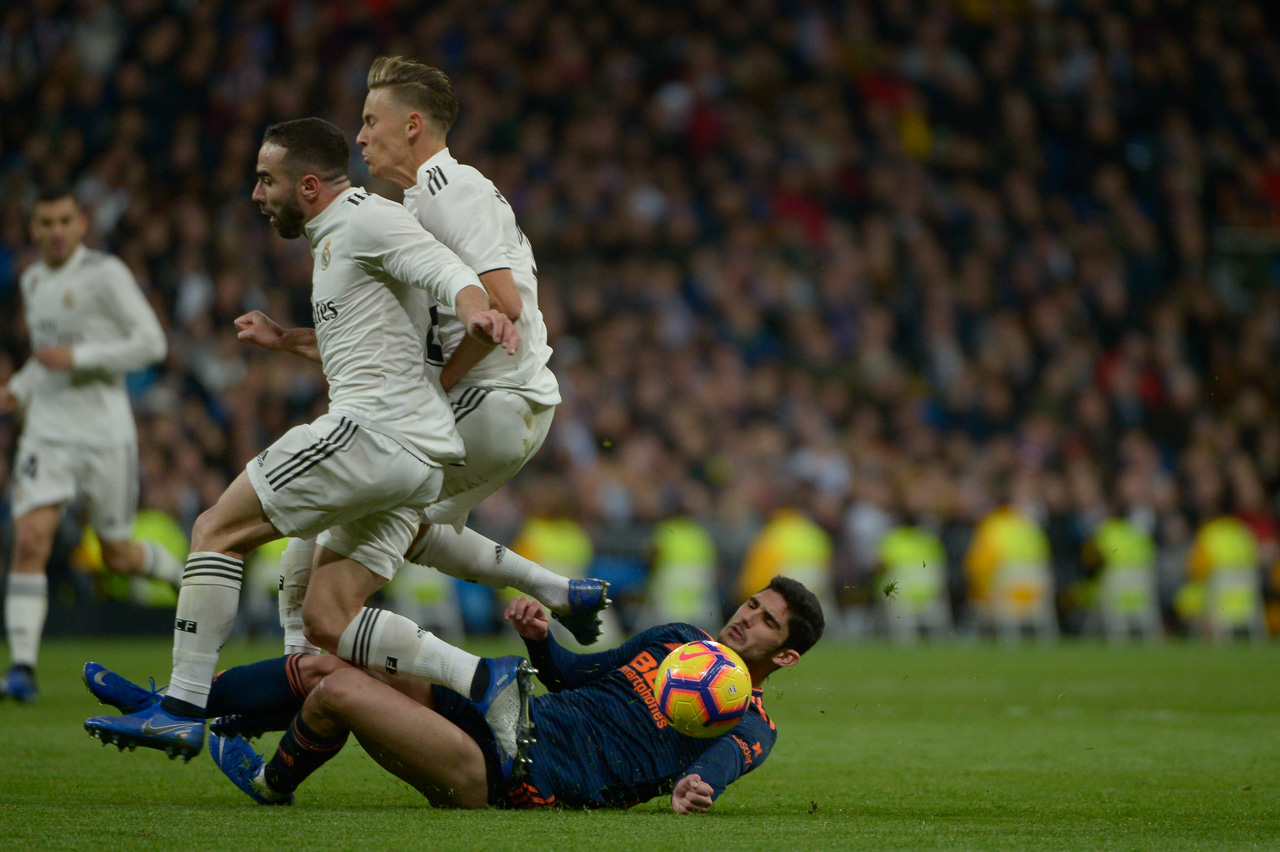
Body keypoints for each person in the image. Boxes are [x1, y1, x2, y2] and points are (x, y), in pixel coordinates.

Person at [84, 117, 528, 760]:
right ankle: (486, 679)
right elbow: (368, 346)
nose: (257, 195)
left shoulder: (365, 220)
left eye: (267, 181)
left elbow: (448, 273)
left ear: (310, 185)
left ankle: (181, 706)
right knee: (327, 616)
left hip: (374, 435)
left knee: (216, 529)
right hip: (417, 457)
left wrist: (478, 310)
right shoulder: (335, 238)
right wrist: (284, 337)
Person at [234, 56, 605, 653]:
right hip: (500, 407)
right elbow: (392, 353)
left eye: (369, 120)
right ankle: (562, 593)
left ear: (411, 125)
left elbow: (501, 303)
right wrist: (291, 340)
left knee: (334, 515)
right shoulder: (413, 208)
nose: (359, 137)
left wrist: (436, 388)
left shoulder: (450, 189)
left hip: (493, 398)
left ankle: (311, 671)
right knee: (411, 528)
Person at [86, 576, 824, 812]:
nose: (744, 618)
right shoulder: (675, 642)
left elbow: (727, 763)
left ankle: (271, 783)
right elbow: (575, 676)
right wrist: (540, 639)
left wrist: (700, 785)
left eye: (764, 622)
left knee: (337, 690)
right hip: (513, 706)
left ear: (784, 656)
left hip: (515, 775)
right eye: (751, 604)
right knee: (333, 656)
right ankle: (178, 704)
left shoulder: (752, 722)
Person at [0, 187, 181, 703]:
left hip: (105, 433)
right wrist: (18, 389)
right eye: (44, 222)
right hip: (48, 431)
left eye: (63, 221)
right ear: (33, 229)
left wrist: (79, 359)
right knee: (31, 540)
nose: (55, 231)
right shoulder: (32, 280)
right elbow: (44, 356)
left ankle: (181, 579)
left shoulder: (107, 274)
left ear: (81, 224)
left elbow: (152, 343)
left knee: (118, 554)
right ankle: (22, 670)